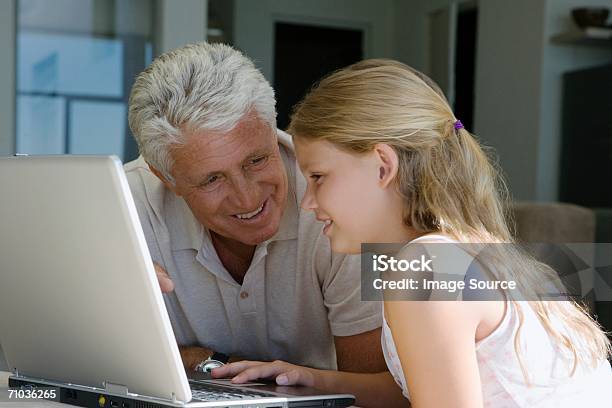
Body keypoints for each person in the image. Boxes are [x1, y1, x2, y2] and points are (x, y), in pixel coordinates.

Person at [212, 59, 612, 407]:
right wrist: (311, 379)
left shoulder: (425, 268)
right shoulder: (455, 249)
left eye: (318, 177)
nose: (307, 203)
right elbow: (409, 393)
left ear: (383, 166)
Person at [124, 42, 395, 384]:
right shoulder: (123, 209)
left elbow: (377, 392)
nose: (247, 197)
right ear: (165, 177)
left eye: (256, 160)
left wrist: (199, 361)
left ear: (273, 130)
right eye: (212, 179)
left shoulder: (347, 207)